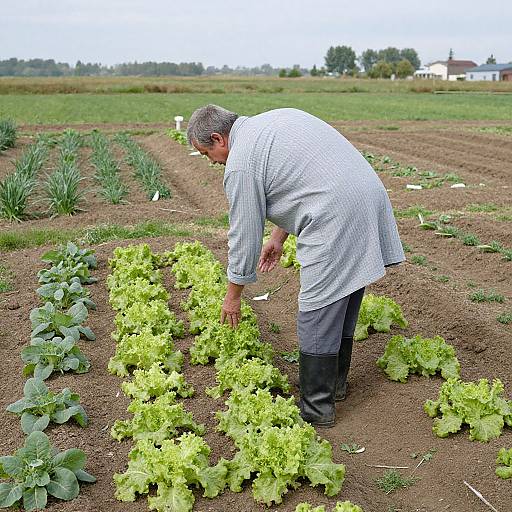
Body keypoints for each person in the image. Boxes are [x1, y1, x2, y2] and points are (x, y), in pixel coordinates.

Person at [186, 105, 405, 427]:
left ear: (219, 138)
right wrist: (278, 237)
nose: (213, 162)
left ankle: (317, 409)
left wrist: (233, 295)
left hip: (335, 213)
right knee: (344, 292)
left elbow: (243, 236)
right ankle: (334, 387)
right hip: (366, 196)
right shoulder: (273, 121)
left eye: (208, 153)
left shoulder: (241, 164)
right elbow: (303, 181)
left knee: (317, 310)